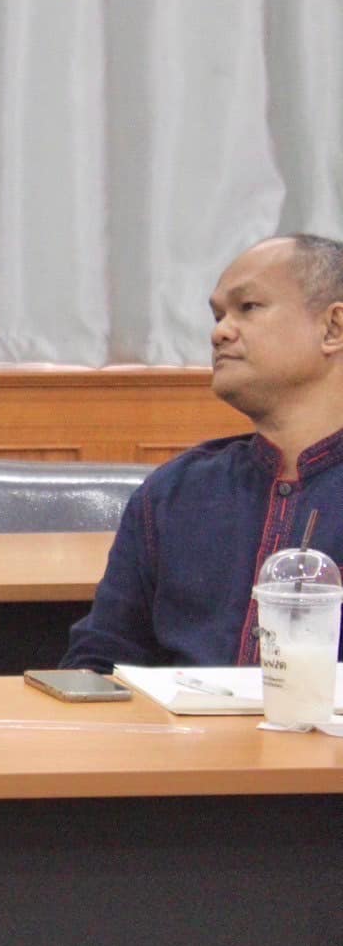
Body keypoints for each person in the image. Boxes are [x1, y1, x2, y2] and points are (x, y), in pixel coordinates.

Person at [64, 234, 343, 671]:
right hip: (181, 737)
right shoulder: (176, 491)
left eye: (247, 308)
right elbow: (101, 658)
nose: (219, 332)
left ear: (333, 328)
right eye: (217, 315)